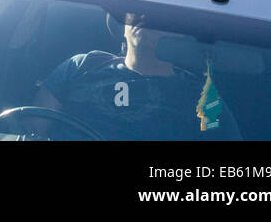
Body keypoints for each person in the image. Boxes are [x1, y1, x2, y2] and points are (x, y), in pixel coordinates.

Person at [33, 13, 240, 140]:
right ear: (121, 26)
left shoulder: (201, 95)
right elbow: (29, 129)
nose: (144, 15)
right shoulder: (81, 66)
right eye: (135, 9)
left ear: (181, 33)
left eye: (160, 12)